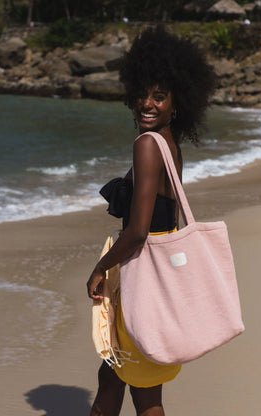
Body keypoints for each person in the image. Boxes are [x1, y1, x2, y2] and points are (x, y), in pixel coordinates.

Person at [86, 25, 215, 416]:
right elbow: (168, 221)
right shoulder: (169, 144)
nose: (147, 103)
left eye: (159, 97)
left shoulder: (146, 146)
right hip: (159, 281)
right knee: (114, 376)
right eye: (142, 94)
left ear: (177, 102)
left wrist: (100, 269)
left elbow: (139, 231)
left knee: (143, 393)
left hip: (141, 280)